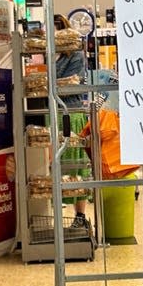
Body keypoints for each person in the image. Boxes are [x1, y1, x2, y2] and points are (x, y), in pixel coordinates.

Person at [53, 14, 89, 231]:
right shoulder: (42, 54)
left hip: (71, 113)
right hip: (51, 114)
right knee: (55, 168)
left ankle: (80, 215)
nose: (56, 36)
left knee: (76, 165)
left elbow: (72, 83)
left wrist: (50, 82)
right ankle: (57, 214)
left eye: (60, 32)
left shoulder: (74, 55)